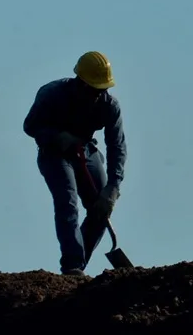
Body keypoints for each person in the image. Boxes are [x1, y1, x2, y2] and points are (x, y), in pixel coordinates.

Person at [23, 51, 127, 275]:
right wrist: (56, 136)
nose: (99, 94)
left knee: (101, 209)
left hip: (87, 151)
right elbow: (30, 126)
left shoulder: (110, 106)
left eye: (103, 89)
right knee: (67, 202)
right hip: (55, 154)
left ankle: (78, 266)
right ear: (80, 82)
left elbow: (117, 146)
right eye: (94, 89)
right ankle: (72, 266)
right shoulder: (51, 93)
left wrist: (113, 187)